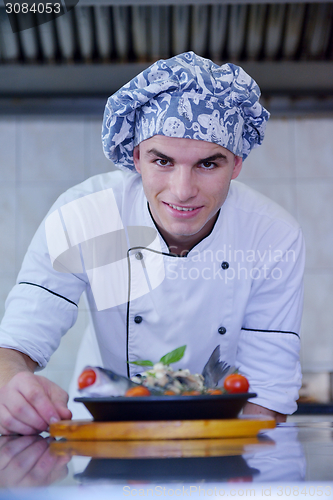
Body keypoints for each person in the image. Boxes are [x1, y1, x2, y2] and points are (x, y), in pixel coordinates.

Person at [0, 52, 304, 435]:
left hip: (219, 438)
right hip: (102, 432)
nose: (183, 190)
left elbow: (268, 395)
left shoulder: (271, 236)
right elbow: (15, 344)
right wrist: (10, 386)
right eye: (163, 162)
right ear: (137, 157)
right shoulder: (87, 216)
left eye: (208, 164)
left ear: (237, 163)